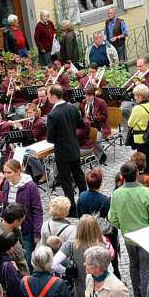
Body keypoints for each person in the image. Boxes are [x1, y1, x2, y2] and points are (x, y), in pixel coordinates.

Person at [108, 162, 149, 297]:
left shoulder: (117, 194)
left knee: (133, 266)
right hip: (145, 238)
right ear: (136, 174)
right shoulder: (146, 192)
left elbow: (112, 219)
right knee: (145, 268)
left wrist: (124, 227)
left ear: (122, 176)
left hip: (129, 237)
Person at [61, 215, 109, 297]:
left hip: (81, 289)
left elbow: (53, 263)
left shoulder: (71, 244)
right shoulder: (101, 246)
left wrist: (68, 271)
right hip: (100, 289)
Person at [46, 85, 87, 217]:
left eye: (48, 95)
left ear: (53, 96)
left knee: (66, 180)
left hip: (62, 151)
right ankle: (84, 199)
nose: (47, 97)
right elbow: (81, 124)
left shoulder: (53, 114)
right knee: (79, 175)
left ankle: (72, 207)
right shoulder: (72, 107)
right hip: (74, 146)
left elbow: (50, 138)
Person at [1, 159, 43, 265]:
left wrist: (37, 232)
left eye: (9, 172)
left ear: (18, 171)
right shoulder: (6, 184)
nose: (6, 175)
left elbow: (37, 210)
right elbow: (5, 205)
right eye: (4, 172)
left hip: (26, 229)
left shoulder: (30, 186)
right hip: (11, 229)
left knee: (27, 259)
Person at [127, 83, 149, 176]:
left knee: (143, 159)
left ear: (141, 96)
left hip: (141, 138)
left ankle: (146, 176)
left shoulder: (137, 108)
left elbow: (130, 123)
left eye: (135, 96)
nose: (134, 98)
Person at [0, 201, 29, 276]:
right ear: (16, 221)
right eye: (22, 221)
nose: (22, 223)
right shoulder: (11, 242)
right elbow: (22, 263)